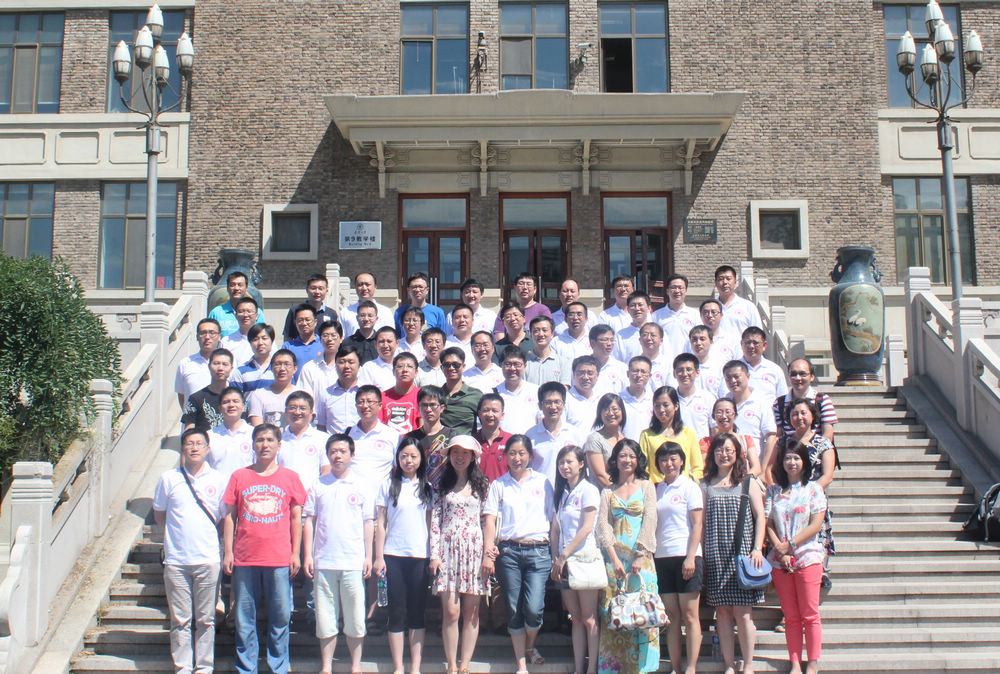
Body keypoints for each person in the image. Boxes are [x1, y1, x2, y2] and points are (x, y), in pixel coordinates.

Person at [222, 423, 306, 674]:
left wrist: (296, 553)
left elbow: (296, 518)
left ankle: (278, 665)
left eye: (270, 440)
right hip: (245, 557)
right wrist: (228, 551)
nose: (265, 445)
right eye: (260, 440)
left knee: (280, 616)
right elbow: (230, 517)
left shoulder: (290, 477)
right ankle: (246, 667)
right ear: (253, 445)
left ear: (279, 445)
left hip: (279, 558)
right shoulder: (239, 476)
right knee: (244, 617)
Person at [153, 429, 228, 674]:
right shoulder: (168, 478)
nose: (194, 448)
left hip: (208, 559)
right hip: (177, 560)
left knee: (206, 619)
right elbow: (161, 516)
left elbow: (224, 519)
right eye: (189, 443)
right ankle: (183, 667)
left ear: (207, 448)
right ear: (182, 448)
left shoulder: (218, 479)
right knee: (180, 620)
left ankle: (204, 666)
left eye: (199, 443)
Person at [482, 435, 555, 674]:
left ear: (530, 456)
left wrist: (557, 554)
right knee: (513, 608)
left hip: (538, 551)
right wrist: (488, 551)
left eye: (522, 453)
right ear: (505, 456)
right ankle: (521, 663)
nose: (517, 458)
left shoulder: (543, 482)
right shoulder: (499, 485)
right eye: (512, 453)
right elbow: (490, 520)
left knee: (534, 609)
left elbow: (553, 520)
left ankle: (529, 646)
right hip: (509, 552)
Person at [303, 434, 375, 674]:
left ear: (352, 455)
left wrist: (369, 556)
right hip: (324, 561)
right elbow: (309, 521)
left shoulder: (362, 485)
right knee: (325, 618)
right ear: (327, 455)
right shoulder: (318, 484)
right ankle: (326, 667)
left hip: (353, 561)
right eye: (333, 451)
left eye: (342, 451)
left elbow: (368, 523)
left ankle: (356, 666)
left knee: (355, 617)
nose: (337, 456)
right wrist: (308, 555)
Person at [702, 432, 767, 674]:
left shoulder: (747, 482)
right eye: (719, 450)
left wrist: (757, 548)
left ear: (737, 454)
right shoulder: (705, 484)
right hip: (715, 555)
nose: (724, 454)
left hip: (743, 555)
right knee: (722, 613)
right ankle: (729, 664)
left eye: (729, 450)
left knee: (743, 613)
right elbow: (701, 523)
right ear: (712, 454)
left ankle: (748, 665)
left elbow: (760, 517)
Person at [595, 438, 659, 673]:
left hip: (641, 560)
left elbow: (650, 519)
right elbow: (603, 526)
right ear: (615, 460)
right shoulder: (607, 492)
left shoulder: (647, 487)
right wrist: (613, 560)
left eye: (632, 456)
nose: (627, 460)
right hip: (615, 562)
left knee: (643, 610)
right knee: (615, 613)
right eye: (623, 456)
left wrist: (640, 554)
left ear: (638, 459)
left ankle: (643, 668)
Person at [429, 435, 491, 674]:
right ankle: (452, 665)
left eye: (465, 452)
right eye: (455, 452)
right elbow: (435, 522)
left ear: (473, 456)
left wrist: (488, 554)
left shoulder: (483, 486)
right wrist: (434, 554)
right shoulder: (440, 485)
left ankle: (465, 664)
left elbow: (488, 521)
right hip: (447, 550)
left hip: (474, 551)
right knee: (451, 611)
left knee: (471, 611)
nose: (460, 457)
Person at [765, 440, 827, 674]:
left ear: (804, 462)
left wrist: (790, 545)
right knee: (791, 616)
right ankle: (794, 662)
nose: (791, 462)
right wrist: (780, 549)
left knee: (810, 614)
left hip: (807, 556)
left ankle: (812, 662)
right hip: (780, 560)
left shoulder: (813, 489)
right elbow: (768, 523)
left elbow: (816, 524)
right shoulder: (774, 491)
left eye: (796, 458)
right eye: (787, 458)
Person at [373, 437, 433, 674]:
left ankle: (415, 667)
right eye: (404, 456)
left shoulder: (427, 487)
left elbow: (430, 524)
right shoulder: (388, 484)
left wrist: (433, 555)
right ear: (397, 458)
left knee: (417, 612)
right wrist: (379, 557)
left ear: (421, 459)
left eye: (413, 456)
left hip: (419, 556)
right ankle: (399, 667)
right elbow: (381, 523)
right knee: (396, 612)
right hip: (393, 555)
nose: (409, 461)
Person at [549, 445, 601, 674]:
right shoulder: (562, 494)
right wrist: (556, 558)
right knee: (576, 618)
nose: (565, 466)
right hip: (564, 563)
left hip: (584, 558)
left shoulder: (589, 490)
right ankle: (579, 668)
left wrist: (563, 555)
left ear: (581, 464)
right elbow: (556, 530)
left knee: (589, 618)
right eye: (561, 462)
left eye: (569, 462)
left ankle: (592, 668)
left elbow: (587, 527)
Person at [653, 442, 704, 674]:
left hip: (686, 556)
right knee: (671, 616)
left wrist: (691, 557)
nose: (669, 464)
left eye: (673, 459)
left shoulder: (690, 487)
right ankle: (676, 666)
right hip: (663, 558)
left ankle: (691, 667)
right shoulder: (657, 489)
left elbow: (697, 524)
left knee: (690, 616)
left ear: (681, 461)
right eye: (664, 460)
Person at [785, 398, 837, 560]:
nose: (799, 417)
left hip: (813, 503)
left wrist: (805, 494)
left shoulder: (823, 443)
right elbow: (773, 470)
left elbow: (827, 476)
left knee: (813, 555)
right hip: (787, 502)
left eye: (803, 413)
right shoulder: (783, 442)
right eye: (795, 414)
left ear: (812, 416)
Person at [723, 360, 778, 481]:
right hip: (727, 469)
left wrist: (763, 470)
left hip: (754, 468)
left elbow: (771, 437)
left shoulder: (761, 402)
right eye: (728, 378)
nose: (733, 381)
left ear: (747, 376)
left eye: (737, 376)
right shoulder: (724, 402)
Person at [639, 386, 703, 483]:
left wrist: (689, 483)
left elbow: (698, 468)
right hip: (657, 488)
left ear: (676, 406)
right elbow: (643, 467)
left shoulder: (688, 433)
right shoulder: (646, 435)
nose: (661, 410)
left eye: (665, 405)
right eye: (657, 406)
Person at [525, 382, 582, 484]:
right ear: (540, 405)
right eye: (548, 402)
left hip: (568, 490)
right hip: (539, 490)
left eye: (557, 402)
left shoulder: (575, 433)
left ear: (564, 405)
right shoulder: (530, 435)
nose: (553, 407)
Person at [347, 385, 402, 490]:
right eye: (361, 402)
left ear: (380, 405)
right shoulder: (347, 435)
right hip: (351, 495)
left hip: (381, 497)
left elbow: (398, 470)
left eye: (370, 402)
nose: (365, 406)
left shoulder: (393, 436)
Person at [404, 385, 456, 489]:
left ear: (442, 408)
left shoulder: (453, 436)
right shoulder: (410, 438)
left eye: (433, 405)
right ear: (418, 408)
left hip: (446, 490)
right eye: (424, 405)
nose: (428, 409)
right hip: (417, 490)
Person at [277, 391, 329, 492]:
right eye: (292, 408)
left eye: (302, 408)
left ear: (311, 412)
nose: (297, 412)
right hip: (284, 496)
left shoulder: (323, 439)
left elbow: (326, 471)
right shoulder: (279, 440)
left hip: (312, 497)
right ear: (286, 411)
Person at [773, 359, 838, 440]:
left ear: (812, 377)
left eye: (802, 374)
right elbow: (778, 435)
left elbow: (827, 435)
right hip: (789, 447)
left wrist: (811, 448)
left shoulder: (822, 401)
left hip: (817, 447)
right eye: (793, 374)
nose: (797, 378)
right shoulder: (779, 404)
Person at [699, 398, 763, 478]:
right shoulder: (706, 442)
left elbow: (756, 468)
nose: (723, 416)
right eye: (719, 412)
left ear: (735, 415)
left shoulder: (745, 440)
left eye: (728, 412)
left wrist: (744, 481)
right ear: (713, 416)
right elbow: (704, 468)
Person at [247, 349, 306, 427]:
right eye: (278, 364)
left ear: (295, 369)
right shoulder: (258, 395)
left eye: (287, 364)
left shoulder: (304, 395)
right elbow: (258, 428)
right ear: (271, 368)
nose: (282, 368)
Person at [208, 386, 255, 481]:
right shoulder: (210, 435)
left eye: (235, 401)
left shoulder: (254, 434)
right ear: (220, 408)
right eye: (226, 402)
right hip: (218, 488)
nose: (231, 405)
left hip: (246, 487)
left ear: (243, 406)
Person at [181, 348, 234, 432]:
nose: (220, 368)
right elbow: (189, 430)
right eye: (216, 363)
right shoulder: (195, 398)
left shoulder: (236, 399)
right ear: (209, 366)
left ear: (231, 368)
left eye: (225, 364)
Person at [315, 344, 362, 434]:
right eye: (341, 362)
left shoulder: (367, 393)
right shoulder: (326, 394)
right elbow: (321, 426)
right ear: (335, 366)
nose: (346, 366)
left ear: (359, 366)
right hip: (334, 441)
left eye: (351, 362)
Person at [176, 318, 222, 407]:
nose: (207, 337)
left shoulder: (227, 363)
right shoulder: (185, 363)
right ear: (197, 336)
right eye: (203, 333)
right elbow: (181, 395)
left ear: (219, 336)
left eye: (212, 333)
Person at [583, 393, 626, 489]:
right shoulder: (594, 439)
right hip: (603, 494)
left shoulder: (624, 439)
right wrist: (620, 492)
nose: (611, 413)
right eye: (606, 409)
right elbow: (600, 476)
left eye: (615, 409)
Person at [495, 346, 540, 435]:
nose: (512, 368)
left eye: (517, 364)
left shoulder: (536, 391)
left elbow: (541, 421)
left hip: (530, 441)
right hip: (503, 442)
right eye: (508, 364)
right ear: (501, 365)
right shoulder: (494, 393)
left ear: (525, 366)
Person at [281, 273, 339, 341]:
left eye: (320, 289)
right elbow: (288, 336)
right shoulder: (295, 311)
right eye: (313, 288)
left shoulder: (331, 313)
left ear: (326, 291)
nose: (317, 292)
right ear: (307, 290)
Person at [654, 274, 701, 355]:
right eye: (673, 287)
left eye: (680, 288)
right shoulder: (657, 315)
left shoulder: (695, 315)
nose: (677, 291)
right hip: (665, 360)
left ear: (686, 291)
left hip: (688, 359)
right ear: (667, 291)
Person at [440, 347, 483, 435]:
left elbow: (486, 424)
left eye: (456, 364)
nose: (451, 368)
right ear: (441, 368)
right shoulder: (436, 395)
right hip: (441, 442)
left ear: (463, 367)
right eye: (447, 365)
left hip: (466, 442)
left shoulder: (476, 395)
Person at [494, 273, 551, 339]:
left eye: (529, 284)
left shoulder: (543, 310)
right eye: (521, 284)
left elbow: (548, 334)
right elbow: (499, 335)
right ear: (515, 287)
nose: (525, 287)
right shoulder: (506, 310)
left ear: (535, 289)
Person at [298, 320, 344, 402]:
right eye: (325, 336)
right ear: (320, 339)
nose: (329, 339)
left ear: (341, 338)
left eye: (333, 335)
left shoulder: (348, 367)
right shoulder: (309, 368)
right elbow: (304, 398)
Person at [208, 271, 266, 336]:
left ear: (246, 288)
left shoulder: (256, 313)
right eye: (232, 285)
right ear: (227, 288)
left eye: (240, 285)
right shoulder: (216, 313)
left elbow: (261, 336)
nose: (236, 288)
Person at [673, 353, 715, 440]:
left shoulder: (708, 398)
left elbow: (714, 428)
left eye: (689, 369)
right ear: (674, 374)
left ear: (697, 372)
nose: (685, 374)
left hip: (702, 447)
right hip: (676, 447)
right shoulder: (670, 399)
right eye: (680, 370)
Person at [739, 326, 789, 400]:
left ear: (764, 345)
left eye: (755, 343)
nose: (751, 346)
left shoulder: (775, 369)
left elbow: (782, 398)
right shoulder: (734, 369)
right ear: (741, 344)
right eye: (748, 342)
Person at [339, 272, 395, 337]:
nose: (364, 288)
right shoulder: (345, 312)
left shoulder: (385, 312)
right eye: (360, 284)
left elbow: (391, 337)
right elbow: (341, 338)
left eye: (367, 284)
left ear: (375, 287)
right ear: (355, 287)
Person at [380, 352, 421, 435]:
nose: (405, 370)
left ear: (416, 372)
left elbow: (423, 427)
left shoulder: (422, 396)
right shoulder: (382, 397)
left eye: (409, 366)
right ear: (393, 371)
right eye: (400, 366)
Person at [714, 265, 762, 336]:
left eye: (728, 279)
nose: (725, 282)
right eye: (721, 279)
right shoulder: (710, 308)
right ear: (715, 282)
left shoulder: (748, 306)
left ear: (735, 282)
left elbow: (757, 334)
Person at [474, 393, 511, 482]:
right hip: (476, 489)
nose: (490, 414)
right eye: (486, 410)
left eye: (495, 411)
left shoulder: (511, 441)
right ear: (479, 413)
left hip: (503, 489)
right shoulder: (472, 441)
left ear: (502, 415)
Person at [525, 315, 572, 386]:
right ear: (530, 334)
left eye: (545, 330)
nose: (541, 334)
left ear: (552, 334)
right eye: (536, 331)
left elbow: (565, 387)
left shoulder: (563, 362)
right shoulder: (524, 361)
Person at [284, 304, 325, 383]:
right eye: (300, 320)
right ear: (295, 323)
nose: (304, 323)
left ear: (315, 322)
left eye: (307, 320)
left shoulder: (324, 344)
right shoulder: (288, 346)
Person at [232, 323, 275, 394]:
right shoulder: (241, 372)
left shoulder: (281, 369)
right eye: (255, 339)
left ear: (272, 341)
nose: (260, 343)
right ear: (250, 343)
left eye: (264, 338)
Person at [687, 324, 727, 399]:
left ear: (711, 341)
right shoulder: (685, 368)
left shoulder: (719, 367)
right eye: (694, 340)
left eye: (702, 339)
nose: (698, 343)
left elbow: (724, 395)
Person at [611, 291, 653, 363]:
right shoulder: (620, 336)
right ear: (628, 309)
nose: (637, 308)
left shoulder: (657, 333)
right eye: (633, 305)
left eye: (640, 305)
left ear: (649, 308)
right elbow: (615, 361)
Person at [620, 357, 654, 441]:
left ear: (649, 376)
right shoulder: (618, 400)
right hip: (624, 447)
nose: (639, 375)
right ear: (628, 373)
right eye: (635, 371)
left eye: (643, 372)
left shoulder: (654, 400)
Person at [699, 299, 741, 364]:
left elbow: (739, 364)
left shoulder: (732, 340)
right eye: (706, 312)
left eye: (714, 312)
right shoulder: (693, 340)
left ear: (721, 315)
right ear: (700, 315)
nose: (710, 315)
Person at [589, 324, 628, 395]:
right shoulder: (583, 366)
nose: (609, 343)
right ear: (593, 343)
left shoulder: (621, 368)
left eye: (612, 340)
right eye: (605, 340)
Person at [221, 296, 261, 365]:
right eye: (241, 311)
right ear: (236, 315)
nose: (245, 315)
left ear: (256, 315)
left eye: (249, 311)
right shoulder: (226, 341)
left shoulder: (266, 340)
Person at [359, 326, 401, 390]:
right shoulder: (369, 367)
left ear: (397, 343)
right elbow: (365, 394)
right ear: (375, 344)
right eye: (381, 341)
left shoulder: (404, 366)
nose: (385, 346)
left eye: (389, 341)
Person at [565, 355, 601, 428]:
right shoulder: (565, 400)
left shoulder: (601, 399)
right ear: (574, 374)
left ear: (597, 375)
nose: (586, 377)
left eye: (590, 373)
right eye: (581, 373)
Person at [637, 322, 673, 391]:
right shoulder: (634, 364)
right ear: (640, 340)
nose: (649, 338)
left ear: (661, 341)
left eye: (653, 335)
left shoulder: (668, 365)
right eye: (645, 335)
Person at [343, 300, 380, 365]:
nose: (366, 319)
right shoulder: (347, 343)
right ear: (357, 318)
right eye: (362, 315)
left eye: (370, 316)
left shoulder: (381, 342)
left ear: (376, 318)